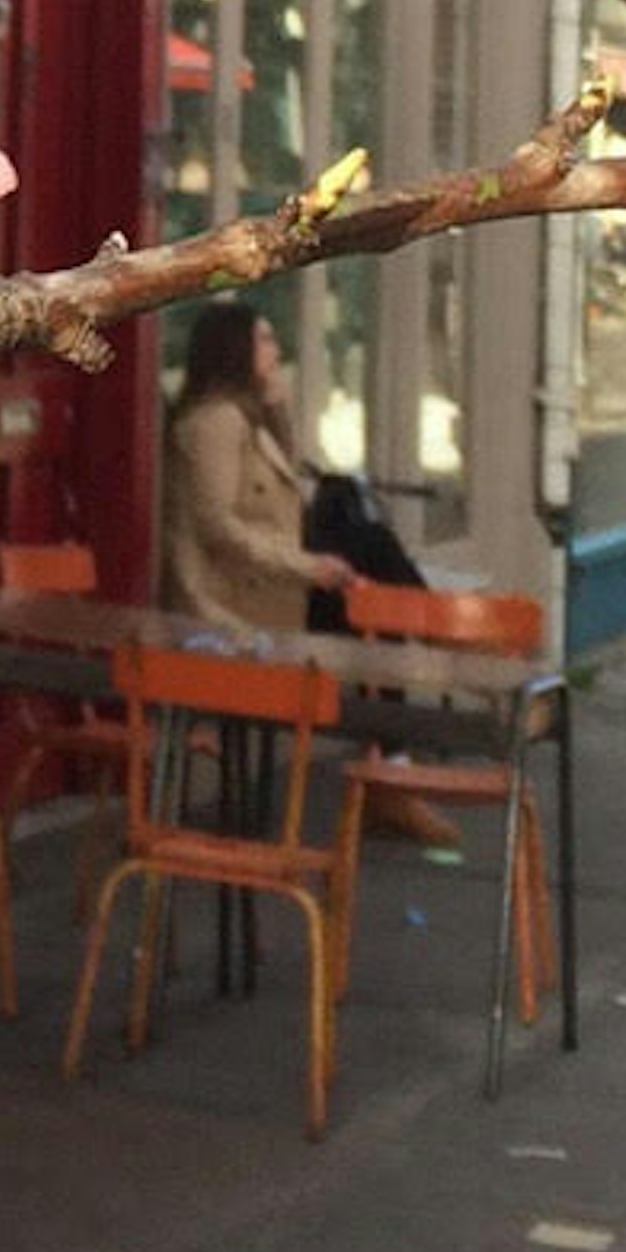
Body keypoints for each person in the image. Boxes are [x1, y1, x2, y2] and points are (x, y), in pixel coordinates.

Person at [161, 302, 457, 847]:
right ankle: (433, 637)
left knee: (371, 607)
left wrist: (279, 411)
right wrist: (310, 567)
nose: (276, 353)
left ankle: (394, 766)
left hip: (269, 586)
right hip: (233, 602)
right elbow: (218, 529)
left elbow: (290, 495)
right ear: (237, 352)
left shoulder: (245, 416)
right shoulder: (214, 423)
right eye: (266, 341)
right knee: (369, 583)